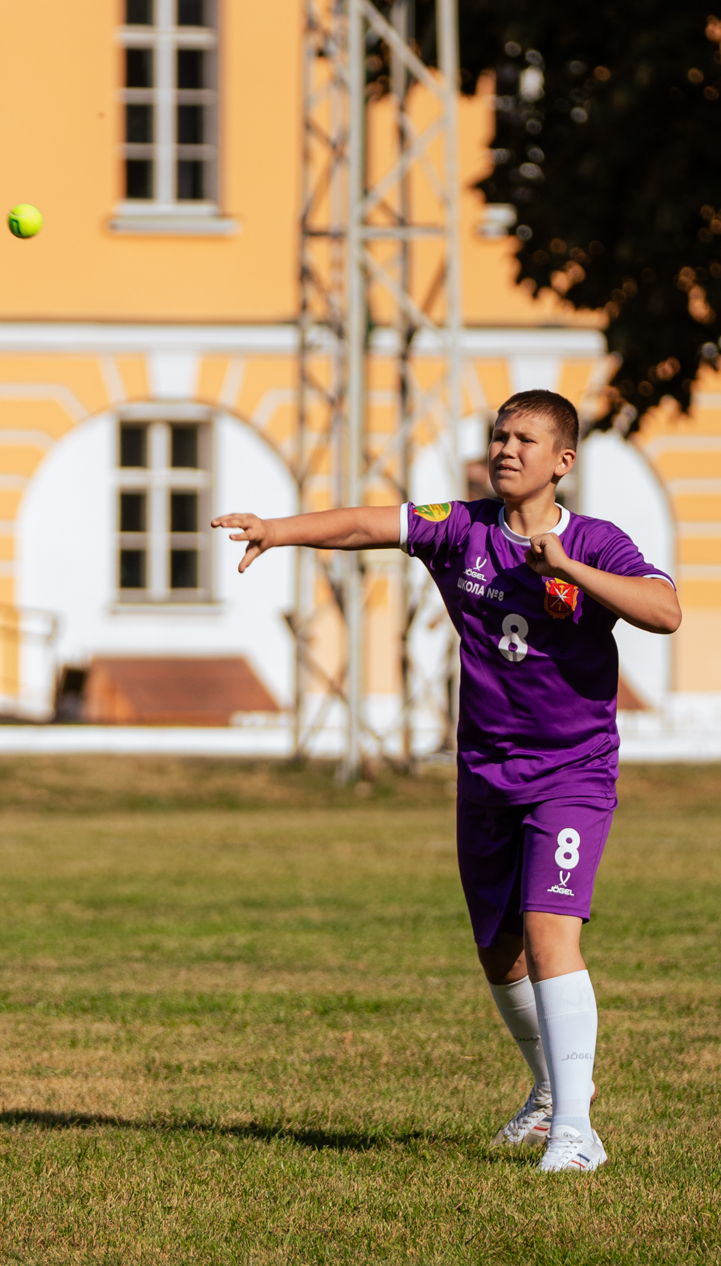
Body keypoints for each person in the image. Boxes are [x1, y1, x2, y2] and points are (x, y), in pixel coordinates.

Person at [214, 388, 678, 1171]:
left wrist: (567, 568)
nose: (506, 449)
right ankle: (543, 1099)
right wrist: (278, 531)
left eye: (525, 440)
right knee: (499, 953)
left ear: (563, 463)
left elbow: (664, 612)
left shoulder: (596, 542)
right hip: (484, 776)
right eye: (499, 436)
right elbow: (370, 524)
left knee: (547, 932)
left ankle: (577, 1130)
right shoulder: (459, 529)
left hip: (571, 773)